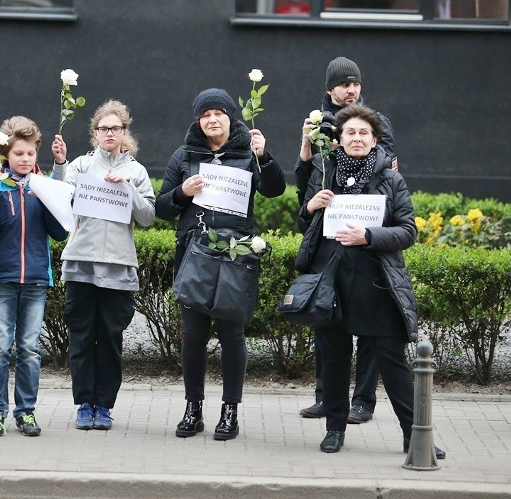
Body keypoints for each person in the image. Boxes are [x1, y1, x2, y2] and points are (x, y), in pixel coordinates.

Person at [296, 104, 443, 459]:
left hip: (376, 284)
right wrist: (310, 208)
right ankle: (334, 429)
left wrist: (369, 236)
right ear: (339, 140)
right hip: (331, 281)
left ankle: (415, 436)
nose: (357, 138)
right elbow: (305, 229)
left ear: (375, 140)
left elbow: (408, 231)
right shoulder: (325, 174)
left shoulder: (391, 179)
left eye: (364, 133)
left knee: (391, 361)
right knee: (333, 358)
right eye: (350, 133)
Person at [155, 88, 286, 440]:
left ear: (231, 117)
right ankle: (193, 408)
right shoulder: (184, 155)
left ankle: (230, 411)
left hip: (235, 254)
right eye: (205, 114)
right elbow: (161, 208)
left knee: (232, 334)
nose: (212, 119)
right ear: (198, 120)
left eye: (219, 113)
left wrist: (265, 157)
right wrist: (183, 192)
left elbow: (274, 190)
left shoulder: (247, 152)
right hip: (194, 252)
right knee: (192, 336)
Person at [296, 56, 396, 425]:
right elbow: (305, 180)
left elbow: (390, 169)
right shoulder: (317, 123)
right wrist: (306, 146)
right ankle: (326, 396)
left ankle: (363, 401)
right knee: (328, 318)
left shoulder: (377, 122)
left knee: (370, 327)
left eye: (355, 83)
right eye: (344, 85)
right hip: (332, 240)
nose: (351, 89)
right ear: (330, 90)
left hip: (368, 240)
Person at [50, 100, 155, 430]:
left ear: (125, 132)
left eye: (116, 128)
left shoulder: (135, 171)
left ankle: (104, 406)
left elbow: (148, 217)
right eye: (103, 128)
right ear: (94, 133)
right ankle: (84, 404)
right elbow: (59, 200)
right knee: (81, 336)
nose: (110, 133)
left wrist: (127, 190)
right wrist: (59, 165)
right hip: (81, 261)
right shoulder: (80, 166)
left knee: (110, 338)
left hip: (117, 265)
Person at [0, 116, 68, 437]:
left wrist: (53, 196)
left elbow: (57, 233)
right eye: (18, 154)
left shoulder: (43, 186)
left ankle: (26, 411)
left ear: (36, 154)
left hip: (37, 281)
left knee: (29, 350)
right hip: (2, 279)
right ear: (7, 155)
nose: (25, 159)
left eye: (30, 153)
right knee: (0, 348)